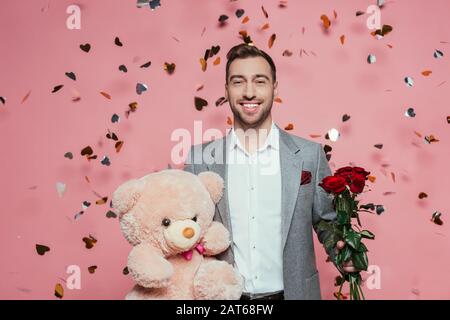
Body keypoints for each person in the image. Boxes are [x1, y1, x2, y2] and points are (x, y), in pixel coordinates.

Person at [184, 43, 356, 300]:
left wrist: (344, 252)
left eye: (260, 81)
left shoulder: (309, 155)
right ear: (227, 90)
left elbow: (326, 221)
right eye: (238, 82)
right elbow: (184, 233)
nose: (249, 92)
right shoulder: (199, 160)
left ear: (275, 88)